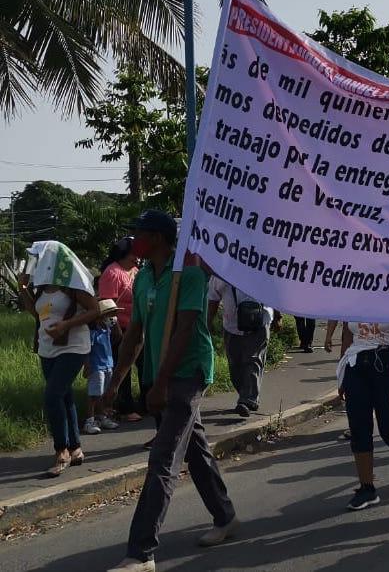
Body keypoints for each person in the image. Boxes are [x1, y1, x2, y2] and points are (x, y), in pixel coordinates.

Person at [104, 210, 237, 572]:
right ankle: (225, 515)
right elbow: (135, 334)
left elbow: (184, 331)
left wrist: (162, 383)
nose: (135, 240)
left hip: (187, 373)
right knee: (194, 449)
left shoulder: (190, 277)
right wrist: (115, 384)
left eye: (141, 233)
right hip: (157, 376)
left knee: (163, 457)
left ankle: (141, 553)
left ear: (159, 239)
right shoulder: (144, 276)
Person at [17, 241, 101, 477]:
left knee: (52, 395)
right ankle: (75, 448)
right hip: (47, 348)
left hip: (73, 347)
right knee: (64, 396)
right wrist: (23, 288)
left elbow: (95, 310)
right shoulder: (42, 287)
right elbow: (37, 313)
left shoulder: (73, 286)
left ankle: (61, 450)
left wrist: (66, 325)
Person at [332, 318, 389, 510]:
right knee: (359, 428)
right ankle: (367, 488)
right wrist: (341, 377)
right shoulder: (352, 300)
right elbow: (347, 336)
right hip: (356, 367)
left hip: (388, 366)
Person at [207, 277, 274, 418]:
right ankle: (245, 395)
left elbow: (275, 293)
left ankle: (247, 399)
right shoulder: (222, 271)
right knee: (235, 364)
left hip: (260, 322)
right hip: (231, 325)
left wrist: (278, 315)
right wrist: (207, 323)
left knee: (253, 360)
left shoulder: (261, 267)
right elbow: (213, 297)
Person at [98, 237, 142, 421]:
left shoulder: (136, 271)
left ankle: (145, 403)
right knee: (122, 368)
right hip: (120, 329)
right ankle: (124, 407)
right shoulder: (112, 272)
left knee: (143, 366)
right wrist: (116, 329)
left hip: (138, 327)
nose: (138, 257)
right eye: (135, 253)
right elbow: (107, 304)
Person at [84, 300, 122, 435]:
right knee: (94, 394)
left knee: (104, 393)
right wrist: (87, 366)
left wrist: (116, 324)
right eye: (110, 315)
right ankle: (89, 420)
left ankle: (102, 416)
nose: (113, 318)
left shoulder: (107, 330)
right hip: (96, 366)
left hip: (108, 364)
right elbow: (87, 349)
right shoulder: (93, 332)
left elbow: (118, 336)